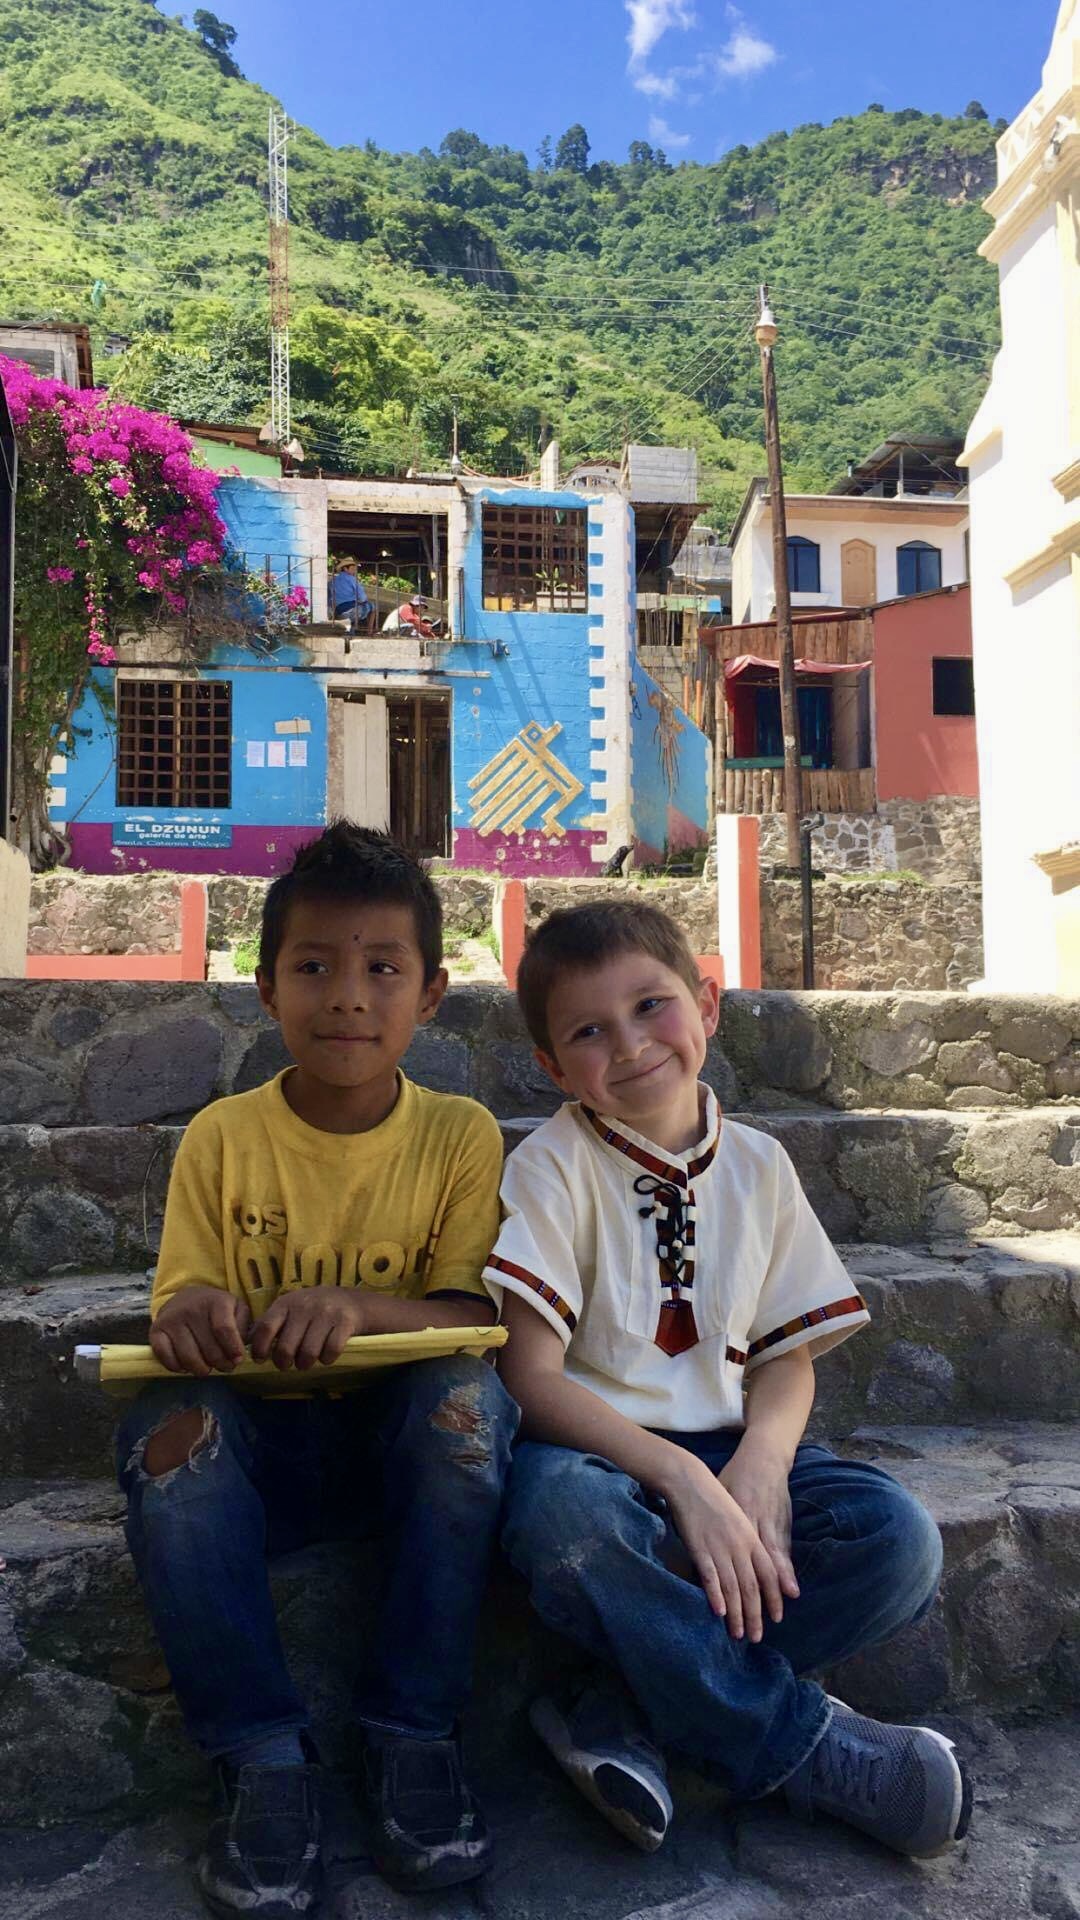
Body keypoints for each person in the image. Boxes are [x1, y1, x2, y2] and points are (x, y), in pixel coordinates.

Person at [485, 900, 971, 1862]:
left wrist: (758, 1463)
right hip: (598, 1463)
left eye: (652, 1006)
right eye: (588, 1031)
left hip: (732, 1450)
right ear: (551, 1065)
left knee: (897, 1541)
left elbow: (785, 1354)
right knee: (566, 1526)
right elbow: (528, 1374)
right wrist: (682, 1480)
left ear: (706, 1002)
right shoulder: (551, 1167)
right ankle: (801, 1745)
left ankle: (620, 1706)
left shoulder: (758, 1163)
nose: (628, 1046)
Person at [116, 823, 518, 1918]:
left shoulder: (461, 1136)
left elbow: (470, 1316)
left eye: (382, 968)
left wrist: (355, 1309)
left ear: (431, 995)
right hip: (259, 1454)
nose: (348, 995)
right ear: (265, 990)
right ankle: (261, 1760)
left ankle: (412, 1733)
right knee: (170, 1433)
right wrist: (198, 1316)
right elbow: (184, 1305)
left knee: (470, 1407)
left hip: (400, 1450)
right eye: (314, 967)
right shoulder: (221, 1137)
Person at [328, 559, 373, 633]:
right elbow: (363, 598)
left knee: (350, 625)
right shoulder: (352, 579)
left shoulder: (332, 581)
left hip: (338, 612)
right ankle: (370, 631)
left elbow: (329, 598)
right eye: (353, 568)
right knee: (373, 606)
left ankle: (352, 631)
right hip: (351, 612)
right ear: (345, 569)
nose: (354, 571)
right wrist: (361, 601)